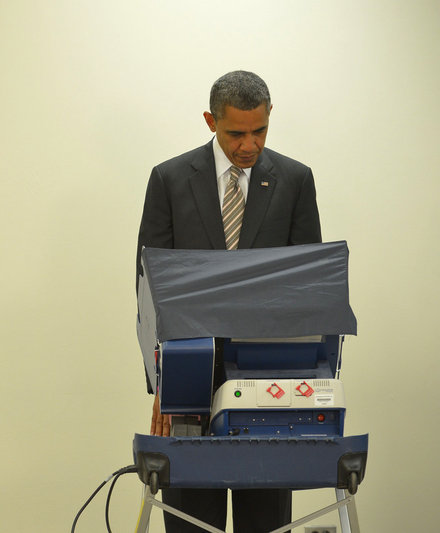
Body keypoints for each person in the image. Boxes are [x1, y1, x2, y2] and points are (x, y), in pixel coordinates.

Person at [135, 70, 322, 532]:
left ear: (269, 117)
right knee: (191, 517)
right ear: (210, 121)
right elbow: (148, 286)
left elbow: (309, 287)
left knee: (265, 518)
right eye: (236, 133)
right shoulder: (170, 179)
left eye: (259, 130)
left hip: (272, 379)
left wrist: (310, 379)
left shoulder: (295, 180)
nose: (249, 144)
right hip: (189, 374)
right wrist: (162, 380)